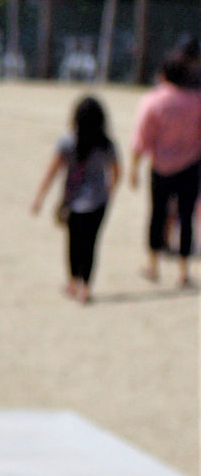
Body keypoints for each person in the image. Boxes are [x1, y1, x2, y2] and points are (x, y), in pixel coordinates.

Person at [32, 95, 122, 304]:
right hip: (98, 201)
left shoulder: (67, 142)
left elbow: (52, 172)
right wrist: (109, 190)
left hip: (73, 200)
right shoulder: (106, 144)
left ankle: (73, 282)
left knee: (73, 242)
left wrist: (40, 198)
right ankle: (86, 287)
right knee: (91, 244)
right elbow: (117, 171)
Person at [129, 40, 201, 289]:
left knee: (157, 215)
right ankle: (183, 270)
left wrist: (134, 168)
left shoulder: (154, 100)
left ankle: (153, 264)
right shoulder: (196, 100)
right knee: (186, 217)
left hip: (161, 167)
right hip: (191, 166)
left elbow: (142, 138)